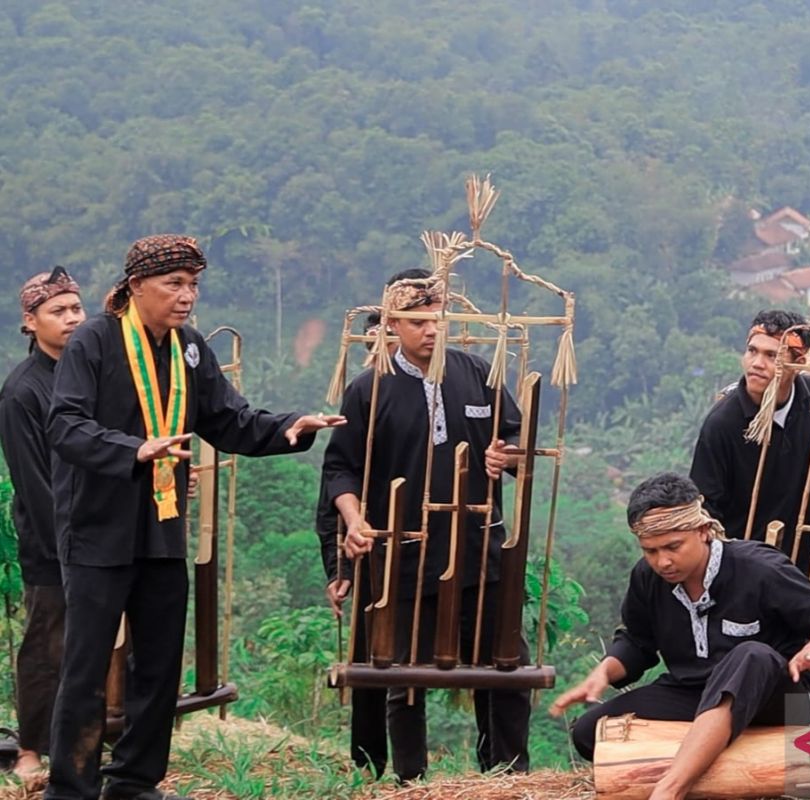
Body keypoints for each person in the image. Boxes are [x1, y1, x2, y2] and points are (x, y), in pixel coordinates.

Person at [45, 234, 344, 800]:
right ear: (136, 287)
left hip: (161, 526)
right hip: (98, 527)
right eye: (174, 284)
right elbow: (65, 426)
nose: (187, 297)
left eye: (194, 285)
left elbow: (228, 419)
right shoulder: (94, 343)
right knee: (86, 669)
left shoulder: (189, 348)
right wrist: (133, 450)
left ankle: (134, 781)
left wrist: (290, 427)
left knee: (158, 665)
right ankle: (70, 788)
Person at [324, 268, 530, 783]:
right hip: (403, 559)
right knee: (402, 677)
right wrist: (353, 521)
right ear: (392, 324)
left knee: (504, 668)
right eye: (417, 321)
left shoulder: (478, 372)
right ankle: (409, 781)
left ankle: (508, 775)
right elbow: (340, 468)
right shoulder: (369, 390)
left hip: (479, 552)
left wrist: (505, 457)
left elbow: (519, 440)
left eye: (437, 319)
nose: (430, 331)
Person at [550, 472, 810, 800]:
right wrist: (603, 672)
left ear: (704, 531)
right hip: (695, 693)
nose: (662, 561)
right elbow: (638, 642)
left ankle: (670, 790)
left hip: (777, 698)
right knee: (590, 731)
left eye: (673, 547)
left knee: (751, 655)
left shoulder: (758, 567)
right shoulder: (647, 578)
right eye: (650, 551)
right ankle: (709, 752)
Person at [690, 309, 810, 567]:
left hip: (806, 564)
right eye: (752, 351)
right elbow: (705, 508)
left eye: (772, 356)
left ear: (798, 363)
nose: (756, 363)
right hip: (747, 569)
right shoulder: (722, 424)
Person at [0, 268, 86, 781]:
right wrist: (68, 546)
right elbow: (35, 485)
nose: (72, 319)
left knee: (93, 643)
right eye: (59, 311)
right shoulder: (22, 393)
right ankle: (31, 747)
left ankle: (83, 741)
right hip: (50, 541)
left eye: (76, 308)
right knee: (46, 643)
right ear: (31, 322)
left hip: (101, 533)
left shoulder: (89, 371)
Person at [317, 310, 387, 778]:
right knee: (373, 656)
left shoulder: (459, 382)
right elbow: (334, 484)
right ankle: (368, 765)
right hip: (369, 549)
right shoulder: (362, 394)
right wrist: (337, 569)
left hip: (445, 548)